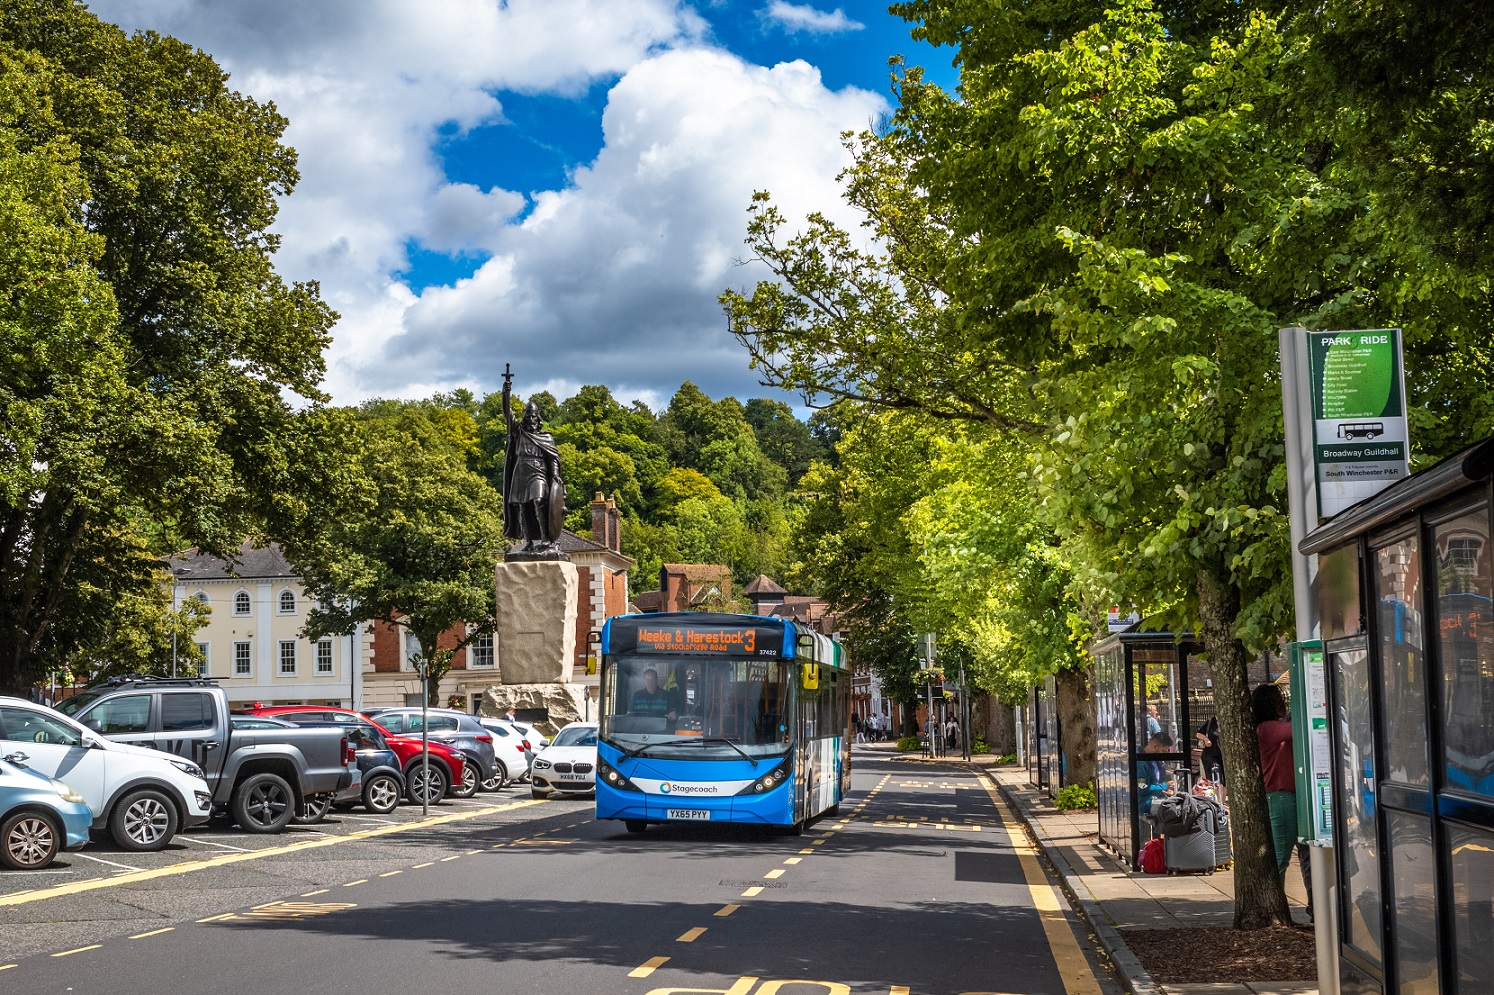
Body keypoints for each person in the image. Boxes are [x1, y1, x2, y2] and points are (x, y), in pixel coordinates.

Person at [1196, 715, 1226, 803]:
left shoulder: (1228, 722)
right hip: (1211, 755)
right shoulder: (1211, 721)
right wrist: (1206, 739)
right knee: (1217, 780)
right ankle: (1218, 804)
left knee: (1224, 782)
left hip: (1223, 757)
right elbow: (1198, 733)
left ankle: (1221, 804)